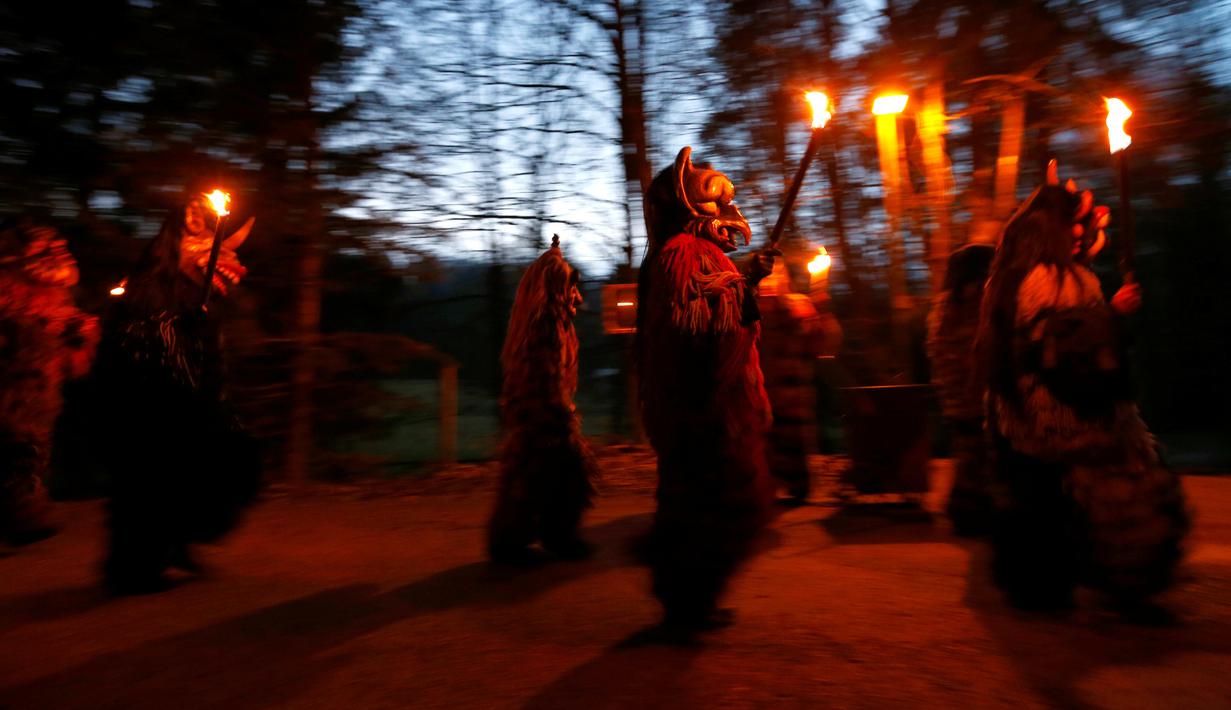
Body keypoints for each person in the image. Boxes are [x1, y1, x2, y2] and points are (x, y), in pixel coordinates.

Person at [977, 162, 1188, 613]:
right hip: (1062, 412)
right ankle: (1117, 579)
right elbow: (1062, 342)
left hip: (1031, 418)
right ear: (1048, 229)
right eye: (1070, 224)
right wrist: (1112, 313)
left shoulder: (1022, 272)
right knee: (1087, 498)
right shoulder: (1047, 278)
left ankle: (1050, 584)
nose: (1079, 231)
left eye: (1081, 223)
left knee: (1045, 504)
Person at [637, 147, 778, 633]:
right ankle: (685, 605)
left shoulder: (702, 253)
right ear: (688, 210)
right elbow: (691, 322)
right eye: (715, 205)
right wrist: (742, 287)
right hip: (701, 411)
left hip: (715, 410)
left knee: (714, 505)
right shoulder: (680, 254)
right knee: (706, 505)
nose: (727, 215)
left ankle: (693, 600)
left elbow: (720, 303)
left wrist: (747, 281)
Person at [92, 194, 260, 594]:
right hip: (149, 405)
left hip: (187, 402)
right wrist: (192, 397)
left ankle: (176, 542)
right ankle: (133, 573)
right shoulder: (150, 291)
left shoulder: (195, 295)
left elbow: (203, 351)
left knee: (216, 469)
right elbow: (155, 351)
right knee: (147, 487)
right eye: (192, 231)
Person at [487, 236, 598, 564]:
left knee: (548, 478)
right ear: (555, 288)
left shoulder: (554, 324)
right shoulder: (544, 326)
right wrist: (561, 414)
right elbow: (544, 377)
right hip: (540, 416)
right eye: (571, 289)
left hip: (542, 415)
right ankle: (519, 544)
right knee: (547, 477)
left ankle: (546, 538)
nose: (577, 297)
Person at [0, 217, 98, 545]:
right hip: (9, 392)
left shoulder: (58, 295)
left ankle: (22, 519)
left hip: (40, 394)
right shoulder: (6, 294)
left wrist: (78, 333)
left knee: (30, 456)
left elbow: (72, 353)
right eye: (45, 250)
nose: (56, 255)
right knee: (11, 454)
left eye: (59, 248)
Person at [756, 255, 842, 504]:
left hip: (794, 400)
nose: (772, 279)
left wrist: (822, 312)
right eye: (767, 274)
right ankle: (764, 490)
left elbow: (822, 346)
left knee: (794, 451)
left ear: (785, 278)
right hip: (760, 395)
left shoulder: (801, 305)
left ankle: (797, 489)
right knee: (762, 451)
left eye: (777, 274)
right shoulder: (748, 306)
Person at [927, 243, 995, 535]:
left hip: (956, 395)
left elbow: (936, 349)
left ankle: (966, 510)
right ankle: (968, 513)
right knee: (976, 455)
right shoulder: (977, 304)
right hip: (973, 394)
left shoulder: (944, 306)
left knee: (969, 452)